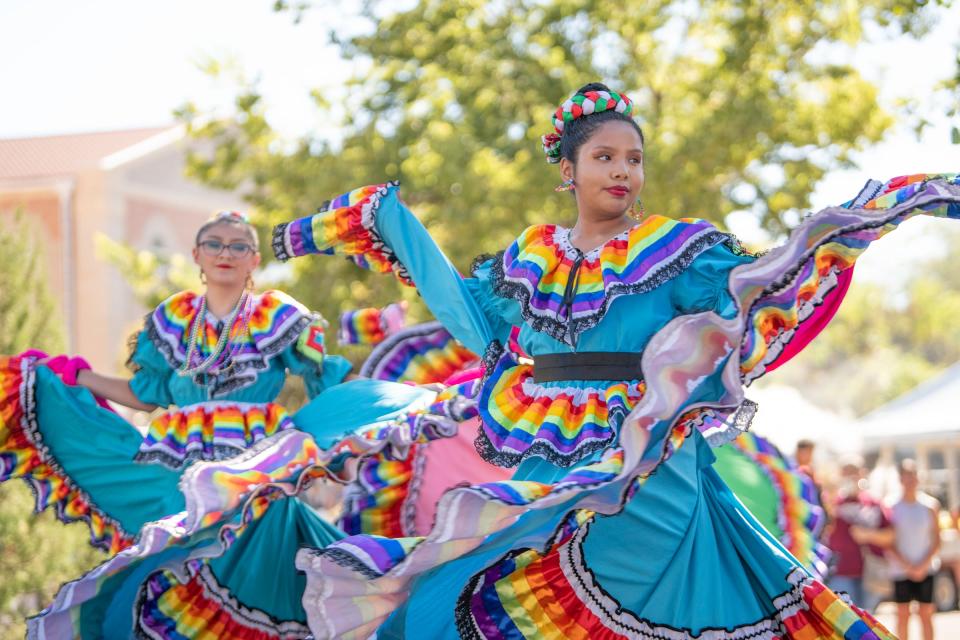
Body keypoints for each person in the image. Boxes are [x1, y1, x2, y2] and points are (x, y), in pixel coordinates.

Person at [269, 83, 959, 638]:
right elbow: (475, 322)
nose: (623, 171)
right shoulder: (526, 261)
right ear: (567, 171)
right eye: (605, 157)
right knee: (455, 603)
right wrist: (391, 223)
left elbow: (760, 287)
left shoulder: (676, 250)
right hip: (548, 454)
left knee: (653, 594)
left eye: (633, 159)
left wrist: (867, 215)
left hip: (649, 459)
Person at [3, 210, 468, 638]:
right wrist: (79, 377)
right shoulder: (172, 319)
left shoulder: (279, 317)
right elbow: (146, 396)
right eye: (215, 243)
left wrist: (367, 422)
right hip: (177, 476)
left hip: (253, 478)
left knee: (269, 577)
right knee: (167, 569)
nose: (226, 252)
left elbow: (324, 382)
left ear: (254, 260)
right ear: (197, 256)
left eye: (238, 246)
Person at [826, 456, 893, 612]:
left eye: (853, 473)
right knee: (846, 620)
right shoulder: (833, 503)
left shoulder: (874, 503)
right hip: (840, 573)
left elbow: (891, 536)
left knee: (868, 619)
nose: (850, 478)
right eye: (846, 474)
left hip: (871, 574)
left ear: (862, 474)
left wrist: (868, 535)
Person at [890, 459, 942, 640]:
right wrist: (908, 566)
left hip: (926, 568)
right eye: (906, 476)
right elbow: (889, 541)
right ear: (900, 479)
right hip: (900, 570)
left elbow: (937, 538)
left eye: (913, 475)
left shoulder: (930, 506)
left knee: (926, 614)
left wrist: (922, 565)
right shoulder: (891, 506)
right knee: (903, 614)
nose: (910, 480)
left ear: (918, 478)